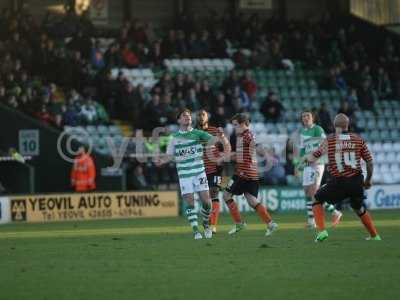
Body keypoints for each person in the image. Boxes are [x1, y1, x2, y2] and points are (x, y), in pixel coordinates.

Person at [303, 113, 381, 242]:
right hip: (356, 181)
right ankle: (375, 236)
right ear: (347, 125)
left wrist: (306, 160)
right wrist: (368, 180)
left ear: (334, 125)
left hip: (338, 182)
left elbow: (314, 156)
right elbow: (369, 162)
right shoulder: (358, 139)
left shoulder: (330, 140)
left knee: (317, 199)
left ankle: (322, 232)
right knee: (358, 208)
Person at [155, 108, 226, 240]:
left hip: (199, 172)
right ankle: (195, 231)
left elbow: (214, 140)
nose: (187, 117)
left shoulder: (198, 134)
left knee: (207, 203)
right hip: (184, 175)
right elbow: (169, 156)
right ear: (179, 120)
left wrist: (220, 137)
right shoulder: (174, 138)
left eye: (189, 115)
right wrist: (161, 161)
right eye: (184, 116)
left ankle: (205, 223)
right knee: (190, 202)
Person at [223, 113, 278, 236]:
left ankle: (239, 223)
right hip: (253, 173)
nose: (234, 127)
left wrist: (267, 156)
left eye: (236, 125)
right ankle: (270, 223)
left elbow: (256, 147)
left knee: (226, 195)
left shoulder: (246, 136)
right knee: (252, 200)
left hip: (243, 172)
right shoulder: (247, 135)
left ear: (243, 124)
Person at [297, 110, 342, 228]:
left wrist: (316, 156)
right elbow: (302, 150)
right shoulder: (303, 132)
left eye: (307, 116)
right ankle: (313, 220)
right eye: (303, 116)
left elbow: (325, 144)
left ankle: (332, 214)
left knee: (314, 191)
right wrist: (298, 165)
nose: (305, 118)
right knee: (307, 191)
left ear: (313, 118)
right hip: (307, 164)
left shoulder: (317, 129)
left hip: (317, 163)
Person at [197, 109, 231, 233]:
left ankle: (212, 225)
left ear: (207, 117)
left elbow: (226, 147)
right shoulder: (193, 133)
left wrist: (222, 159)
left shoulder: (215, 131)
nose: (201, 117)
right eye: (199, 115)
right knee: (206, 199)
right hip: (199, 170)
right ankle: (207, 220)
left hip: (215, 170)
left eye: (203, 115)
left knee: (214, 193)